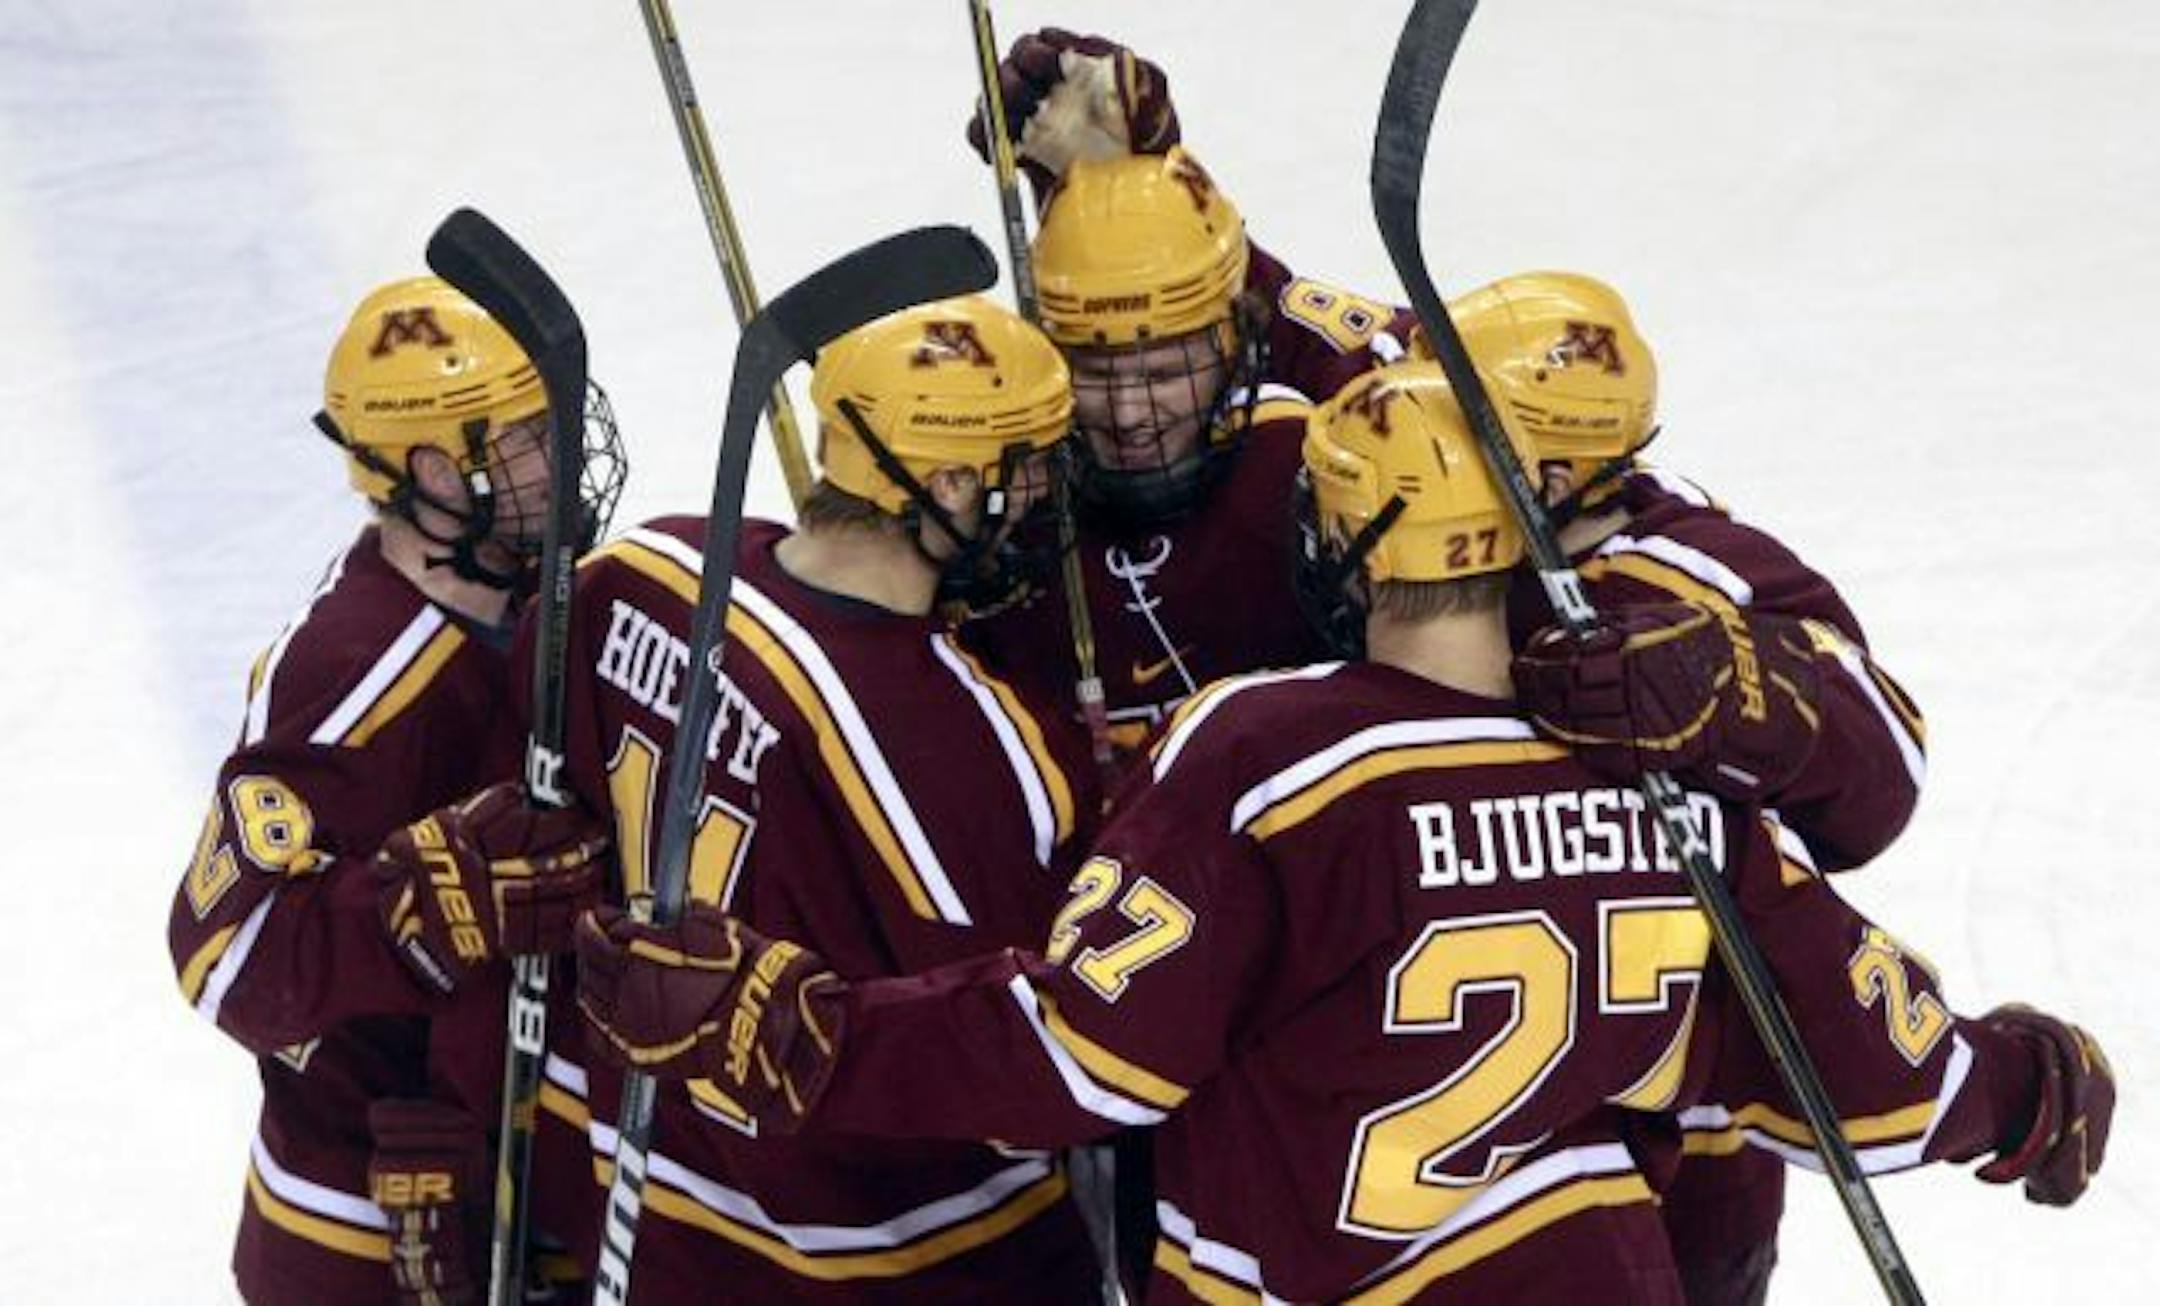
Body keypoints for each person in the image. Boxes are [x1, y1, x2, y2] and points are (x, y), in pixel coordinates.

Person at [570, 360, 2112, 1303]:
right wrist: (2026, 1087)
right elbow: (1875, 1059)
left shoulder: (1263, 757)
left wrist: (801, 1032)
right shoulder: (1672, 780)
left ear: (1349, 541)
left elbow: (1084, 1054)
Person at [520, 295, 1108, 1300]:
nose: (1044, 496)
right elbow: (1035, 1062)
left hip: (667, 1204)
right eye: (1027, 466)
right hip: (901, 1257)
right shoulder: (971, 737)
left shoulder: (642, 569)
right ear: (950, 481)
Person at [1433, 271, 1931, 1303]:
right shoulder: (1429, 546)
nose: (1424, 444)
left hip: (1677, 1106)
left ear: (1558, 466)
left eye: (1461, 427)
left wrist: (1726, 681)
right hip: (1456, 1105)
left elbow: (1885, 765)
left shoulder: (1702, 571)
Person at [167, 274, 624, 1303]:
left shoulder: (542, 601)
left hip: (514, 1201)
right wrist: (418, 908)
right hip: (358, 1237)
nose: (555, 463)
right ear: (432, 471)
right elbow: (219, 950)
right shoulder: (353, 668)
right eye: (521, 440)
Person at [959, 28, 1414, 745]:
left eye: (1168, 372)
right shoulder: (990, 489)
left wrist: (1156, 210)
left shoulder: (1306, 448)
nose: (1130, 415)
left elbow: (1470, 402)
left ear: (1241, 336)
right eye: (1096, 375)